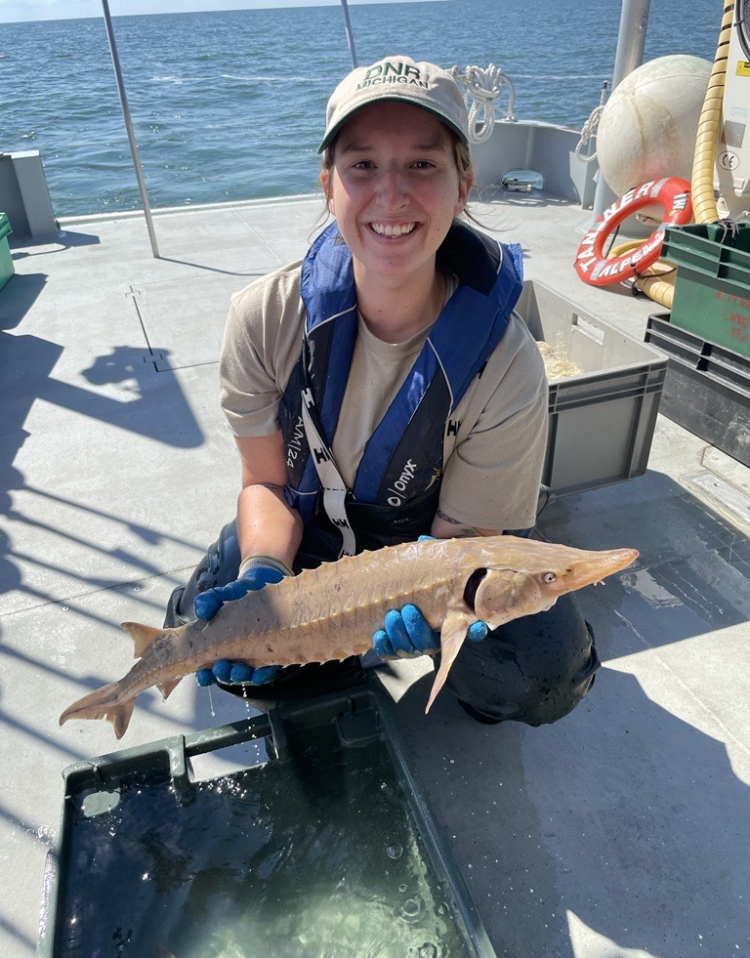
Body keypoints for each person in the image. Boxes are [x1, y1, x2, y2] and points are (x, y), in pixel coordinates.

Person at [165, 55, 599, 726]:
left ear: (463, 186)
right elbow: (267, 483)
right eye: (362, 165)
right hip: (310, 539)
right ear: (328, 187)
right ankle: (320, 658)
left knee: (545, 667)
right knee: (206, 629)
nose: (391, 195)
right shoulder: (264, 318)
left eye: (423, 164)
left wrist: (432, 611)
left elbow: (463, 541)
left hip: (427, 549)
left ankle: (445, 669)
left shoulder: (506, 364)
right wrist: (262, 570)